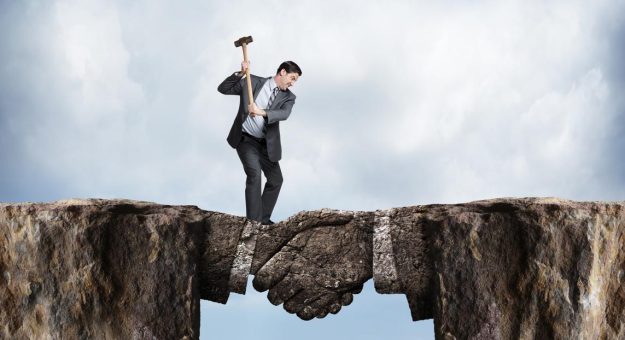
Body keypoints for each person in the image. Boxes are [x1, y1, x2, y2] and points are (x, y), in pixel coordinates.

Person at [217, 60, 302, 224]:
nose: (292, 83)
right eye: (292, 78)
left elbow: (283, 114)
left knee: (276, 180)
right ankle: (254, 223)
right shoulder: (251, 81)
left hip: (266, 145)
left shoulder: (289, 97)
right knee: (254, 174)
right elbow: (223, 89)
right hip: (246, 140)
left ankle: (263, 219)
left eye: (295, 81)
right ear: (282, 72)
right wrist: (240, 73)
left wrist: (260, 111)